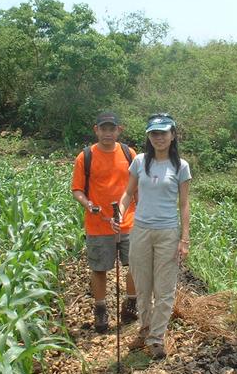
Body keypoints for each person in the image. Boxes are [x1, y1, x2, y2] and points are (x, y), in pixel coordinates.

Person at [116, 112, 191, 359]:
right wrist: (120, 212)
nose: (158, 137)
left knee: (165, 288)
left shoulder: (181, 166)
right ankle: (145, 328)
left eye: (163, 133)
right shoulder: (139, 161)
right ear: (149, 136)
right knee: (142, 285)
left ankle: (157, 337)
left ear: (172, 135)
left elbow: (184, 204)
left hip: (168, 232)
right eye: (154, 133)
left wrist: (184, 239)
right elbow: (128, 193)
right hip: (140, 230)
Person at [72, 111, 139, 333]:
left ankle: (131, 302)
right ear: (96, 130)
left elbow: (136, 187)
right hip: (98, 223)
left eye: (112, 129)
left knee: (135, 265)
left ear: (119, 130)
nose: (108, 133)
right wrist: (88, 204)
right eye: (104, 129)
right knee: (99, 268)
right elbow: (77, 190)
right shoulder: (85, 157)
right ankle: (100, 308)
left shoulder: (129, 154)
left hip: (129, 221)